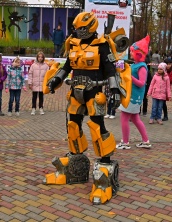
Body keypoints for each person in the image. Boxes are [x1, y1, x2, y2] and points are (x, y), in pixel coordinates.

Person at [43, 12, 130, 205]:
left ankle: (105, 165)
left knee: (97, 126)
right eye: (77, 29)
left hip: (94, 91)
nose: (79, 32)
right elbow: (67, 66)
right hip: (75, 90)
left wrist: (114, 90)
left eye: (83, 29)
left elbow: (110, 69)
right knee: (72, 125)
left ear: (91, 27)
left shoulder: (102, 44)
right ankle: (76, 163)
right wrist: (55, 79)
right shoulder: (72, 43)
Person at [117, 35, 152, 150]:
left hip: (133, 97)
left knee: (124, 118)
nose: (131, 54)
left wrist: (129, 77)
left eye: (132, 52)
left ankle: (125, 142)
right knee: (136, 119)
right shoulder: (135, 65)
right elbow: (124, 68)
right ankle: (146, 141)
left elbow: (142, 83)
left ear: (138, 53)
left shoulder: (142, 67)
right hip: (131, 96)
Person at [28, 51, 49, 115]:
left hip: (42, 84)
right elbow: (30, 74)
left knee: (41, 97)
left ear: (43, 58)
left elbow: (48, 75)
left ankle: (41, 108)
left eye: (41, 57)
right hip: (35, 84)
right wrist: (30, 83)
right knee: (34, 97)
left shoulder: (46, 66)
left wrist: (47, 84)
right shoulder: (33, 65)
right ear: (37, 57)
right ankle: (33, 108)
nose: (40, 58)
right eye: (39, 57)